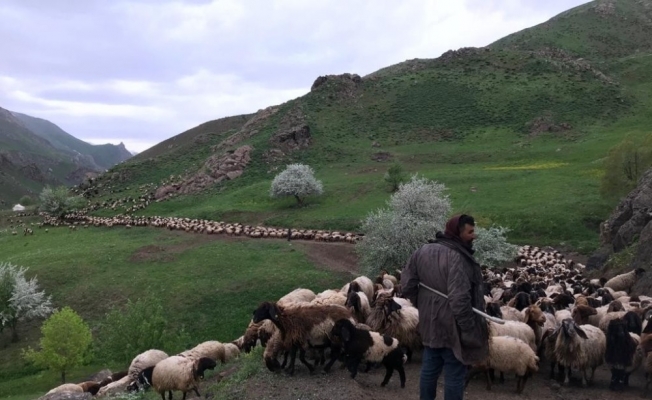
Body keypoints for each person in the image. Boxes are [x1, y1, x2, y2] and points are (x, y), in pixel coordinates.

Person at [401, 214, 489, 400]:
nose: (474, 236)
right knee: (454, 372)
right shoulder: (457, 256)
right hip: (453, 325)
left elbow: (407, 285)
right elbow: (459, 298)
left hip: (429, 322)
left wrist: (423, 303)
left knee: (429, 367)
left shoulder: (422, 250)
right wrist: (468, 328)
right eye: (470, 232)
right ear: (457, 232)